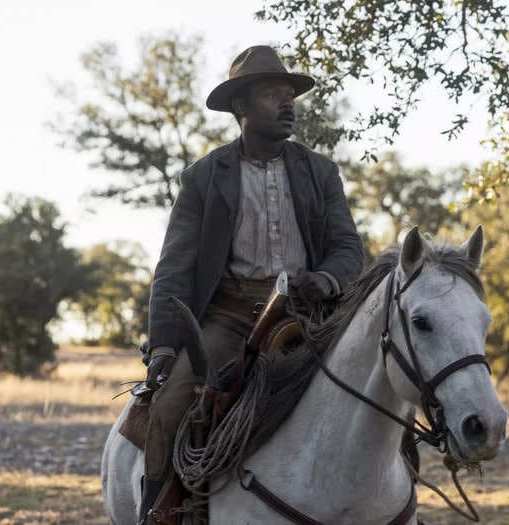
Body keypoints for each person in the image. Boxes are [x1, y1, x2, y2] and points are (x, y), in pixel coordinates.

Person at [138, 45, 363, 523]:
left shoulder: (320, 172)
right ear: (241, 107)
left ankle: (390, 505)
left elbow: (347, 248)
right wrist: (163, 346)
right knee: (171, 405)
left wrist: (325, 279)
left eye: (290, 95)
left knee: (375, 387)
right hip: (228, 317)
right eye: (273, 95)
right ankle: (158, 513)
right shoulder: (203, 178)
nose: (288, 104)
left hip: (308, 316)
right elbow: (174, 268)